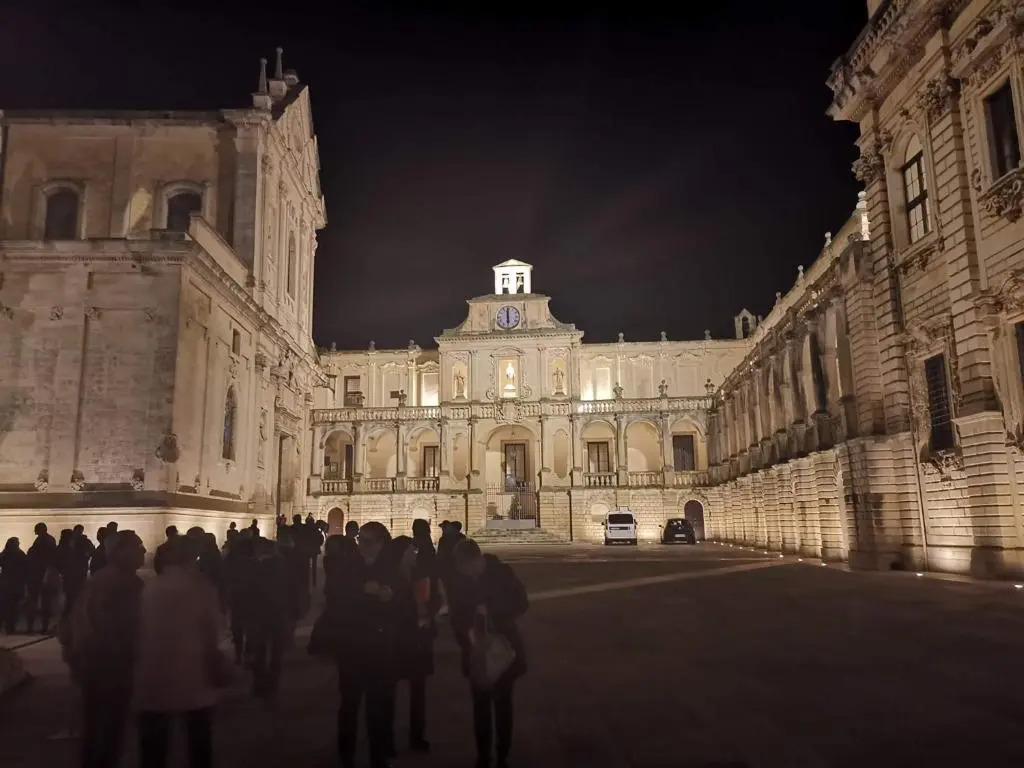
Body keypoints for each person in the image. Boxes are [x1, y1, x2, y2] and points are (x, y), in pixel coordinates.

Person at [134, 535, 225, 768]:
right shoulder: (200, 587)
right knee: (198, 739)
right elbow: (211, 629)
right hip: (193, 670)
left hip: (153, 672)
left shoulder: (150, 588)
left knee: (154, 743)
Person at [326, 521, 410, 768]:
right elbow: (333, 596)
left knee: (378, 705)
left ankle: (378, 755)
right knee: (349, 704)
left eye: (367, 541)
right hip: (352, 645)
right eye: (360, 539)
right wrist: (363, 590)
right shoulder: (347, 566)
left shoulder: (392, 569)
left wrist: (392, 597)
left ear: (381, 543)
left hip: (381, 647)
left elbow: (405, 607)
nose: (362, 545)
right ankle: (346, 754)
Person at [65, 530, 146, 768]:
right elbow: (118, 626)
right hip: (110, 665)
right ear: (120, 552)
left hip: (94, 663)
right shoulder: (124, 584)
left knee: (96, 727)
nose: (142, 550)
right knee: (109, 728)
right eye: (137, 546)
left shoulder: (100, 580)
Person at [451, 539, 528, 768]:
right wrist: (465, 633)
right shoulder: (461, 580)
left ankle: (503, 754)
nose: (463, 571)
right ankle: (483, 756)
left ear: (476, 560)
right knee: (481, 708)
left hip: (502, 650)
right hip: (475, 651)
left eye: (465, 566)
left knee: (503, 705)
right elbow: (456, 615)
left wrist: (492, 609)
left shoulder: (502, 573)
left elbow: (522, 603)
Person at [25, 522, 59, 634]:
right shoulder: (49, 540)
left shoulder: (41, 542)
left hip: (38, 575)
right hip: (42, 574)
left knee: (35, 602)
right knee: (45, 602)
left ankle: (32, 626)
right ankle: (43, 626)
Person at [58, 527, 92, 619]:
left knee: (71, 597)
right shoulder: (80, 543)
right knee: (74, 597)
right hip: (76, 574)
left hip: (72, 575)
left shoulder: (68, 546)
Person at [0, 537, 28, 634]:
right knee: (13, 607)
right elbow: (26, 568)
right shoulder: (20, 554)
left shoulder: (4, 554)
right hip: (15, 584)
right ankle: (10, 626)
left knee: (4, 605)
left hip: (5, 583)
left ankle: (5, 624)